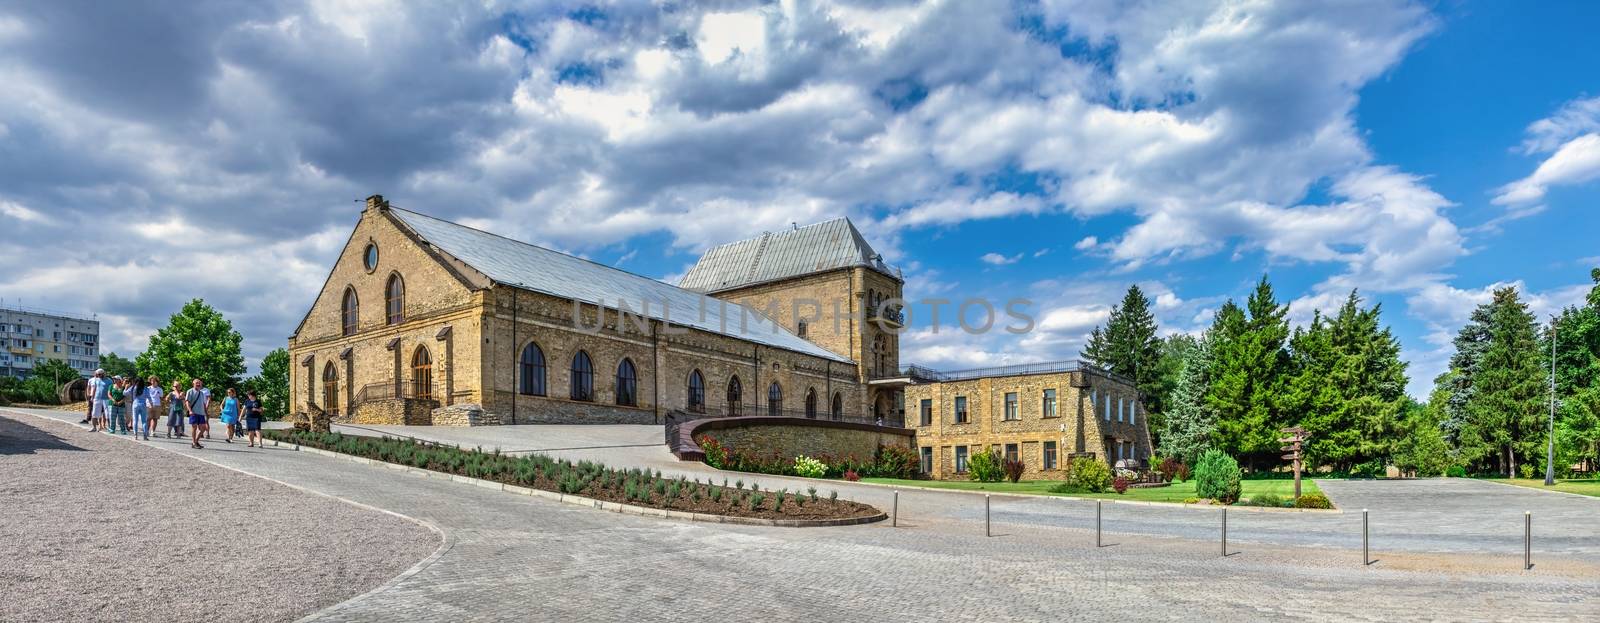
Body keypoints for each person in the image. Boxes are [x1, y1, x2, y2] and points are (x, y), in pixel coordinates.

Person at [184, 378, 210, 449]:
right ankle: (194, 442)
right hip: (194, 412)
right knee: (194, 427)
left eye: (199, 383)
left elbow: (204, 404)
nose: (198, 384)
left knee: (203, 428)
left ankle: (195, 441)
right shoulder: (190, 391)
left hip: (201, 413)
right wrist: (190, 411)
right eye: (196, 383)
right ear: (193, 384)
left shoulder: (201, 393)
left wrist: (206, 412)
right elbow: (187, 402)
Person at [128, 376, 150, 440]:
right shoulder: (145, 388)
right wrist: (151, 403)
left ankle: (135, 435)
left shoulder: (133, 387)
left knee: (135, 420)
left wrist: (126, 388)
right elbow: (149, 397)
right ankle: (145, 436)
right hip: (143, 404)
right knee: (144, 421)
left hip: (135, 404)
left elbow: (125, 393)